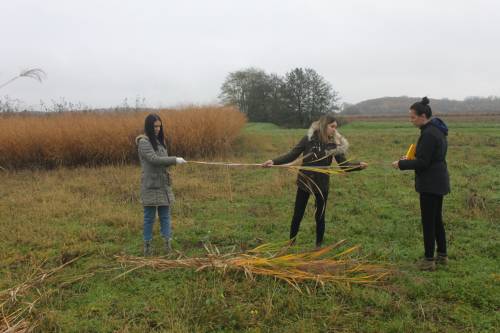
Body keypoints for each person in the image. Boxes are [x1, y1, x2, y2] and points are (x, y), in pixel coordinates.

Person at [262, 113, 368, 248]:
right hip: (305, 181)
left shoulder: (334, 144)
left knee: (320, 215)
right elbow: (292, 155)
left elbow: (344, 166)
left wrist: (359, 166)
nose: (335, 129)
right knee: (298, 214)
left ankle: (318, 245)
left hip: (322, 184)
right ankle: (291, 243)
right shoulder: (308, 139)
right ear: (324, 125)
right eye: (332, 126)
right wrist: (273, 161)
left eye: (336, 127)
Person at [392, 97, 450, 271]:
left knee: (428, 221)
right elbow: (427, 158)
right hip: (438, 180)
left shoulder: (428, 134)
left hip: (431, 183)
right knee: (436, 219)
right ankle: (442, 255)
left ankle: (428, 260)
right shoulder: (436, 130)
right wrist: (410, 159)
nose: (411, 120)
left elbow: (423, 163)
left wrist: (401, 164)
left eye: (412, 117)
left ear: (423, 115)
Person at [136, 114, 187, 256]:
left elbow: (162, 161)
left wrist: (174, 161)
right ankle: (147, 246)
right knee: (149, 217)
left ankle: (167, 243)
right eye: (154, 126)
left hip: (164, 184)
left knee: (165, 215)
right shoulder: (143, 142)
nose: (157, 129)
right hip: (151, 185)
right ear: (148, 126)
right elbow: (154, 159)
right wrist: (174, 160)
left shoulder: (160, 141)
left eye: (159, 126)